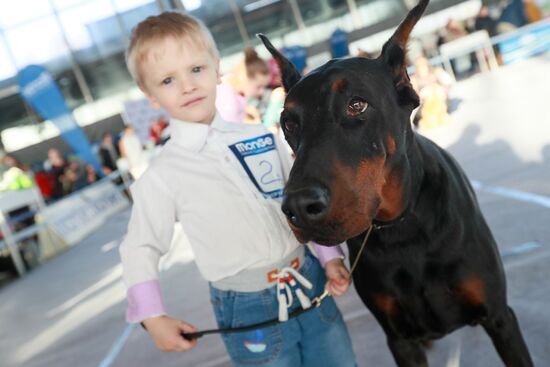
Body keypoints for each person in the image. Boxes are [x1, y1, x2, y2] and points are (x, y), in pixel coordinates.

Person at [121, 12, 356, 366]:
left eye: (196, 69)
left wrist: (330, 256)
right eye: (168, 79)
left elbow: (302, 197)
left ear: (217, 69)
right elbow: (140, 246)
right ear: (150, 94)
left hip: (307, 280)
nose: (187, 86)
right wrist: (153, 317)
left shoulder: (261, 136)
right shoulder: (162, 175)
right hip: (247, 310)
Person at [216, 47, 271, 124]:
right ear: (244, 76)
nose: (262, 92)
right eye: (258, 87)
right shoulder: (225, 95)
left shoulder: (233, 93)